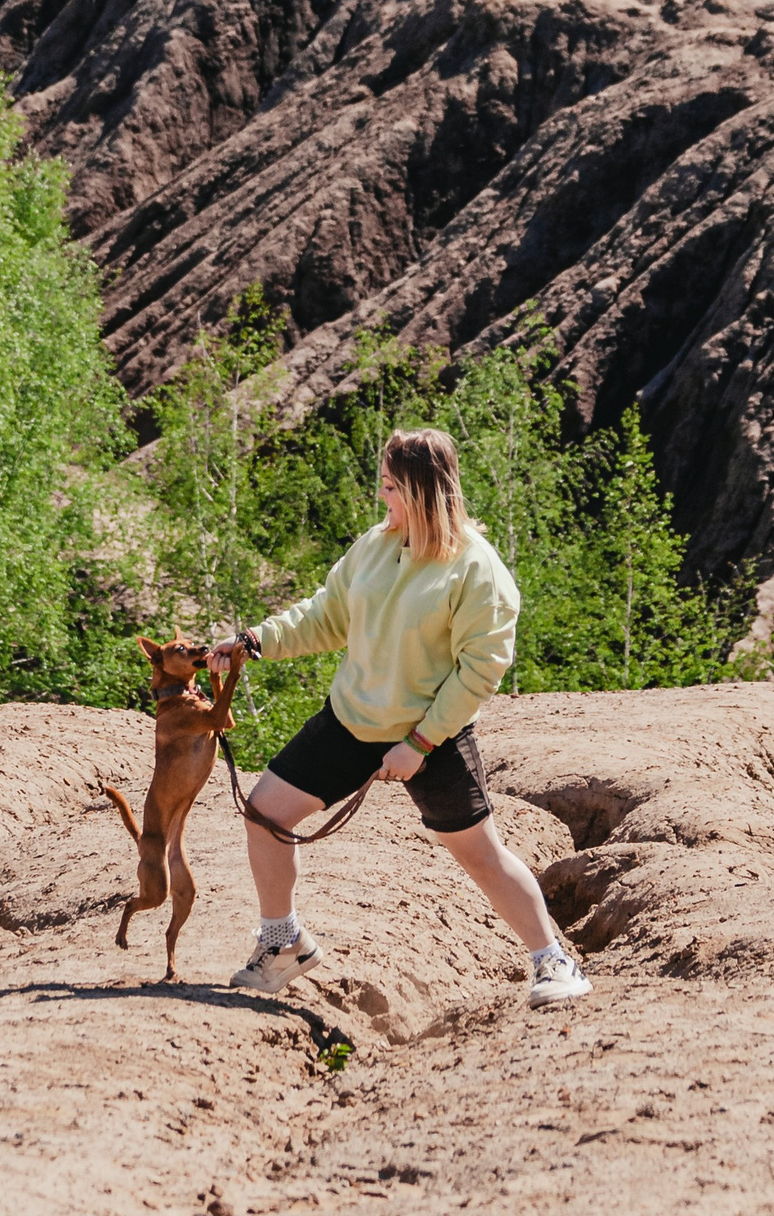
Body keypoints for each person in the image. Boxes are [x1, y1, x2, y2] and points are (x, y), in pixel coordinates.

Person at [207, 428, 590, 1009]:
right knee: (264, 814)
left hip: (430, 736)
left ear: (421, 489)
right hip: (350, 721)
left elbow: (480, 670)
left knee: (480, 855)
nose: (381, 497)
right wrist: (254, 642)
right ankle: (282, 941)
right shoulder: (375, 546)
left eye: (390, 486)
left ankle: (553, 960)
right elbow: (326, 616)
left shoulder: (477, 569)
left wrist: (420, 741)